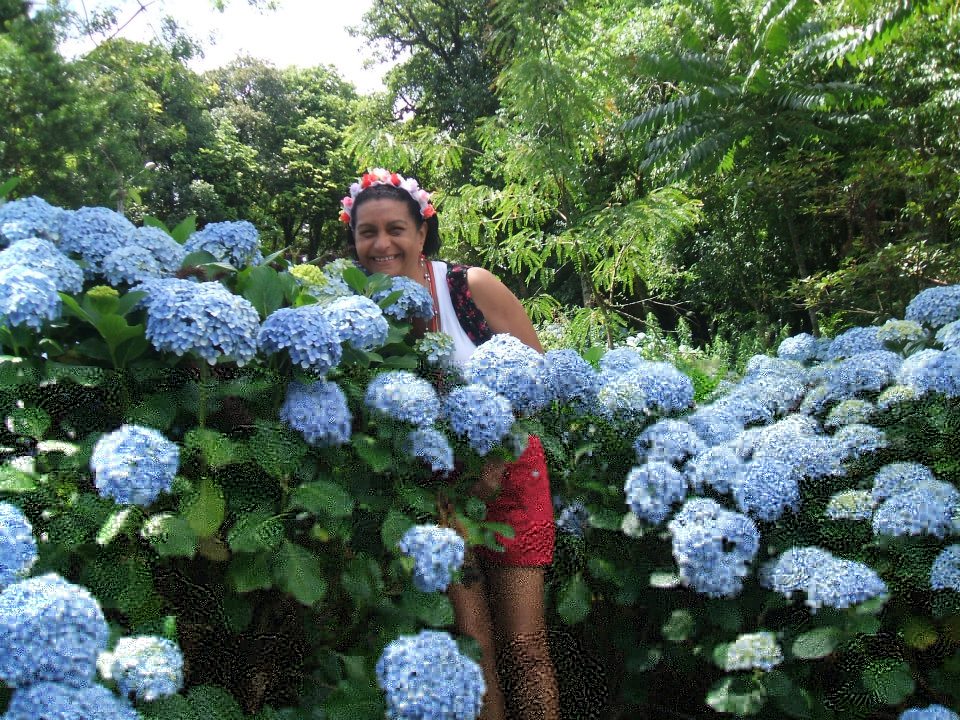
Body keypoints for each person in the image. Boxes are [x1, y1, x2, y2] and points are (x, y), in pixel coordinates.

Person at [341, 168, 561, 720]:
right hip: (433, 497)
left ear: (421, 232)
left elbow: (539, 381)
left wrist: (488, 466)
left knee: (525, 647)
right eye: (368, 232)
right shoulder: (356, 307)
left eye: (396, 228)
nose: (382, 243)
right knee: (471, 648)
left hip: (508, 479)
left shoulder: (470, 287)